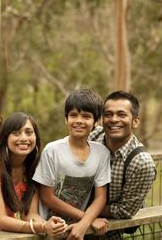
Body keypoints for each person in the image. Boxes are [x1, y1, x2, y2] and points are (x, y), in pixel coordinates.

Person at [33, 89, 111, 240]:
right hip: (49, 231)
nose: (79, 121)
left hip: (75, 232)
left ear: (96, 122)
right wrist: (88, 220)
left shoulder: (102, 153)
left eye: (86, 116)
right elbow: (46, 197)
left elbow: (101, 197)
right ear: (66, 119)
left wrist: (83, 224)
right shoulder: (52, 150)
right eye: (73, 115)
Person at [88, 90, 157, 239]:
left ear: (136, 121)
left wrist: (83, 210)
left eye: (121, 114)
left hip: (106, 234)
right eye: (108, 114)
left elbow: (125, 211)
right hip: (67, 227)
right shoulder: (92, 136)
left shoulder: (141, 163)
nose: (113, 119)